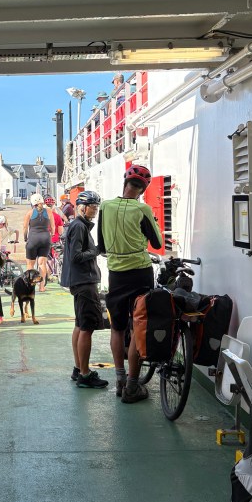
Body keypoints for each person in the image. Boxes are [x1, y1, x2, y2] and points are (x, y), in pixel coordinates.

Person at [97, 164, 163, 403]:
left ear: (124, 183)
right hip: (140, 273)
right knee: (137, 327)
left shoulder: (105, 206)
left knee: (117, 328)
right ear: (143, 190)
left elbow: (101, 246)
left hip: (116, 274)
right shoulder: (143, 209)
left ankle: (120, 380)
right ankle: (133, 386)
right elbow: (157, 243)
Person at [61, 191, 108, 388]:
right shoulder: (79, 226)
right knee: (87, 327)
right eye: (92, 207)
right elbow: (76, 256)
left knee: (80, 325)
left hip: (79, 282)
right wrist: (96, 250)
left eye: (96, 207)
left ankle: (78, 368)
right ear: (82, 207)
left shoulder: (78, 225)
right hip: (84, 282)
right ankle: (85, 374)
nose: (95, 210)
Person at [23, 193, 52, 292]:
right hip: (45, 239)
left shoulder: (29, 213)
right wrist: (50, 236)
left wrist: (25, 238)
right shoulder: (49, 211)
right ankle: (42, 287)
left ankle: (30, 286)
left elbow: (25, 228)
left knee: (30, 264)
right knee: (42, 263)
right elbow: (53, 227)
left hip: (33, 238)